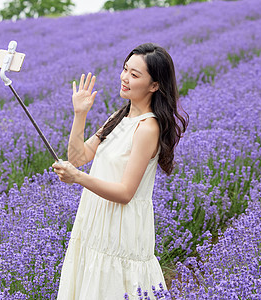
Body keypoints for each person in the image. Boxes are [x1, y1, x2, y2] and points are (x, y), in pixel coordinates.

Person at [52, 43, 188, 299]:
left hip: (120, 230)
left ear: (154, 85)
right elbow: (78, 156)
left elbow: (126, 192)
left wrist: (78, 178)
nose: (125, 78)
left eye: (135, 75)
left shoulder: (148, 128)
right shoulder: (119, 117)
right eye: (125, 69)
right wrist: (79, 114)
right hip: (96, 221)